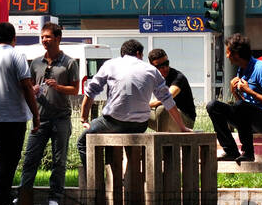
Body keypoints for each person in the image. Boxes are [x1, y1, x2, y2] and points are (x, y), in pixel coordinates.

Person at [78, 38, 188, 174]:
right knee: (124, 139)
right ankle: (129, 179)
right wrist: (182, 127)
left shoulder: (110, 65)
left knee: (83, 141)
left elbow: (91, 91)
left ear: (122, 53)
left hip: (113, 122)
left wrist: (84, 118)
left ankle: (96, 180)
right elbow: (167, 100)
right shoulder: (151, 70)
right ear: (138, 53)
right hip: (140, 124)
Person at [0, 21, 40, 205]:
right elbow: (26, 86)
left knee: (3, 158)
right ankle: (3, 202)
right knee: (10, 160)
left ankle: (3, 197)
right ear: (14, 38)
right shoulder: (17, 56)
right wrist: (36, 115)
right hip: (14, 117)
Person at [19, 22, 79, 205]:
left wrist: (58, 87)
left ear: (58, 38)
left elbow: (76, 89)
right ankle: (23, 197)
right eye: (42, 37)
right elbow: (27, 87)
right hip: (39, 118)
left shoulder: (69, 63)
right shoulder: (36, 63)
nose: (44, 40)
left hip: (61, 118)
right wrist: (33, 90)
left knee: (59, 161)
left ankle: (55, 198)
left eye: (48, 36)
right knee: (30, 159)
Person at [206, 33, 262, 163]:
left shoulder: (260, 68)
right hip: (250, 120)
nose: (226, 55)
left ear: (236, 54)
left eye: (228, 52)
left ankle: (248, 153)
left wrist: (249, 91)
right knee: (213, 106)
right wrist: (235, 92)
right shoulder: (242, 69)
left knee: (240, 107)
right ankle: (231, 152)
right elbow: (244, 106)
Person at [147, 47, 197, 130]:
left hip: (185, 120)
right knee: (136, 112)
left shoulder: (178, 77)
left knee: (163, 108)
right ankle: (135, 141)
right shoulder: (151, 77)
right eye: (160, 66)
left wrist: (146, 105)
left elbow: (167, 97)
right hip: (164, 116)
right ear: (152, 67)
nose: (165, 68)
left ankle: (161, 141)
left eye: (166, 63)